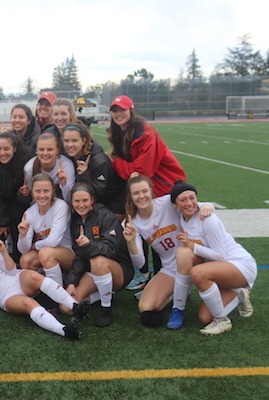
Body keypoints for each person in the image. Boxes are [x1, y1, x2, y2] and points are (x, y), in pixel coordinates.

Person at [0, 223, 87, 340]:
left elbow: (11, 271)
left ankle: (75, 306)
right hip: (3, 296)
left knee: (36, 277)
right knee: (29, 303)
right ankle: (64, 330)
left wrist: (3, 251)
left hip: (14, 278)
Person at [107, 95, 187, 291]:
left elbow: (141, 172)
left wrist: (116, 162)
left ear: (131, 110)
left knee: (159, 232)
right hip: (146, 188)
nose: (118, 114)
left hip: (163, 187)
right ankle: (144, 273)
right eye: (115, 110)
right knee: (139, 228)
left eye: (122, 110)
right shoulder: (119, 131)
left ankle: (167, 277)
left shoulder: (146, 134)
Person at [122, 174, 213, 328]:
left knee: (208, 316)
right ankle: (178, 292)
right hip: (171, 267)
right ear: (130, 196)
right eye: (136, 193)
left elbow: (195, 205)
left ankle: (180, 305)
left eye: (144, 191)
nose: (141, 196)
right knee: (146, 307)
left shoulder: (166, 202)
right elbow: (141, 262)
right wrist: (131, 242)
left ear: (151, 191)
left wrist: (207, 206)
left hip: (195, 258)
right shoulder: (133, 222)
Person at [169, 180, 256, 334]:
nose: (189, 203)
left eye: (192, 198)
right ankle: (239, 293)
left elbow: (220, 256)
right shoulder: (181, 215)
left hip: (239, 264)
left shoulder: (208, 220)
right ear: (175, 205)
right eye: (183, 200)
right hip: (219, 270)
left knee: (197, 272)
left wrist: (192, 245)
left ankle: (222, 321)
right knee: (205, 317)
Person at [62, 184, 133, 327]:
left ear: (92, 200)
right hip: (94, 270)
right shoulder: (76, 221)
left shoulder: (105, 216)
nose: (81, 205)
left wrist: (89, 244)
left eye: (85, 200)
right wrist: (71, 283)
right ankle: (102, 295)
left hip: (118, 269)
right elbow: (80, 255)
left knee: (98, 260)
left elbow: (111, 249)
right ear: (72, 202)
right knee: (66, 308)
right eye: (77, 201)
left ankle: (106, 308)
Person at [17, 174, 74, 286]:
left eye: (46, 191)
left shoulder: (60, 206)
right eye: (38, 191)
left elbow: (53, 242)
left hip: (68, 254)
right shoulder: (29, 213)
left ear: (53, 191)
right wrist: (22, 236)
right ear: (32, 192)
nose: (42, 195)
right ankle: (43, 289)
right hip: (46, 252)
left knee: (45, 253)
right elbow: (23, 250)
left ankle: (58, 295)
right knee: (25, 260)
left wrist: (35, 246)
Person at [61, 122, 126, 219]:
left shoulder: (99, 161)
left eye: (74, 140)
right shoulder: (68, 157)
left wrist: (84, 175)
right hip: (94, 201)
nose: (70, 145)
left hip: (114, 201)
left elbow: (97, 193)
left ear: (83, 141)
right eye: (66, 141)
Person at [0, 132, 31, 262]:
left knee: (18, 245)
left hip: (17, 208)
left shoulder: (23, 162)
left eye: (6, 149)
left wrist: (23, 194)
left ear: (14, 149)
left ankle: (18, 267)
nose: (2, 153)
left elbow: (24, 200)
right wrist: (2, 222)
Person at [23, 133, 75, 202]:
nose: (45, 153)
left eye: (50, 149)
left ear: (57, 151)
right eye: (41, 149)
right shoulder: (29, 168)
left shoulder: (66, 165)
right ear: (36, 151)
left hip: (61, 201)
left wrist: (64, 183)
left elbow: (70, 199)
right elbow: (32, 198)